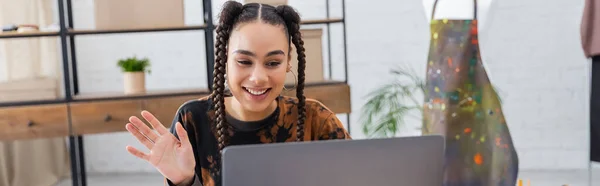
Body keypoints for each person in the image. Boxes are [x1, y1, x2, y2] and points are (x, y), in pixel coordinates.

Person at [123, 1, 351, 186]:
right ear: (224, 58)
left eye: (273, 62)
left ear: (288, 62)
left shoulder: (317, 120)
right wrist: (185, 182)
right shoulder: (192, 120)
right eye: (244, 61)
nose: (258, 77)